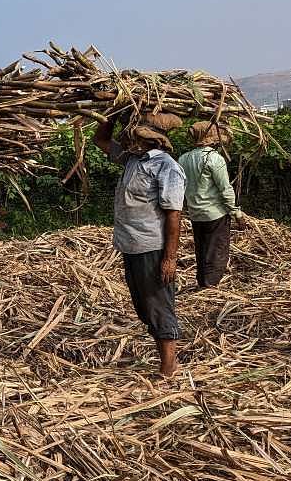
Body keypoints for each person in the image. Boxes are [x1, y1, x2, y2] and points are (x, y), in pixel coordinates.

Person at [93, 112, 187, 377]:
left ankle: (169, 365)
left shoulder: (166, 166)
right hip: (130, 244)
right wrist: (111, 113)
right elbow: (100, 139)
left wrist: (169, 258)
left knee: (157, 303)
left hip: (152, 247)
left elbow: (173, 214)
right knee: (144, 306)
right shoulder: (132, 160)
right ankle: (165, 359)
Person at [178, 121, 245, 289]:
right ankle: (210, 286)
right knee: (217, 252)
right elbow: (225, 189)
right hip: (215, 214)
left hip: (195, 213)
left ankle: (203, 282)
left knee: (201, 250)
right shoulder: (215, 159)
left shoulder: (183, 159)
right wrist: (236, 213)